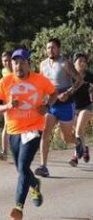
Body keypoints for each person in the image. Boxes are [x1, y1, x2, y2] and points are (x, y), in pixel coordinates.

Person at [0, 49, 56, 220]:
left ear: (29, 64)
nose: (18, 66)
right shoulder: (4, 83)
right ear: (11, 65)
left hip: (34, 128)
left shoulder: (40, 80)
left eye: (22, 62)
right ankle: (35, 184)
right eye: (15, 62)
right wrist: (8, 106)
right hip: (14, 130)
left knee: (22, 167)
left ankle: (18, 207)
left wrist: (47, 106)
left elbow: (54, 93)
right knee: (21, 169)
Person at [35, 38, 80, 176]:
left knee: (67, 138)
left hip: (65, 104)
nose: (50, 50)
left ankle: (78, 143)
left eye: (53, 47)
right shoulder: (42, 65)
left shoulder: (65, 63)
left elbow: (79, 80)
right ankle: (43, 166)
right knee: (45, 133)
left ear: (59, 49)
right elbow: (40, 83)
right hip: (50, 103)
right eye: (48, 48)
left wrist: (68, 92)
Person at [70, 52, 92, 165]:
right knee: (77, 133)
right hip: (73, 108)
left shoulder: (89, 76)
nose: (83, 63)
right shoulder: (69, 76)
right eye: (80, 61)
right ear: (74, 63)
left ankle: (75, 156)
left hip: (87, 107)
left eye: (84, 61)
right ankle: (84, 148)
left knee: (78, 130)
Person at [0, 51, 13, 160]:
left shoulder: (18, 70)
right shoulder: (4, 72)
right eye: (4, 61)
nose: (7, 63)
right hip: (8, 103)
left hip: (20, 103)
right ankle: (4, 152)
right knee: (6, 126)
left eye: (8, 60)